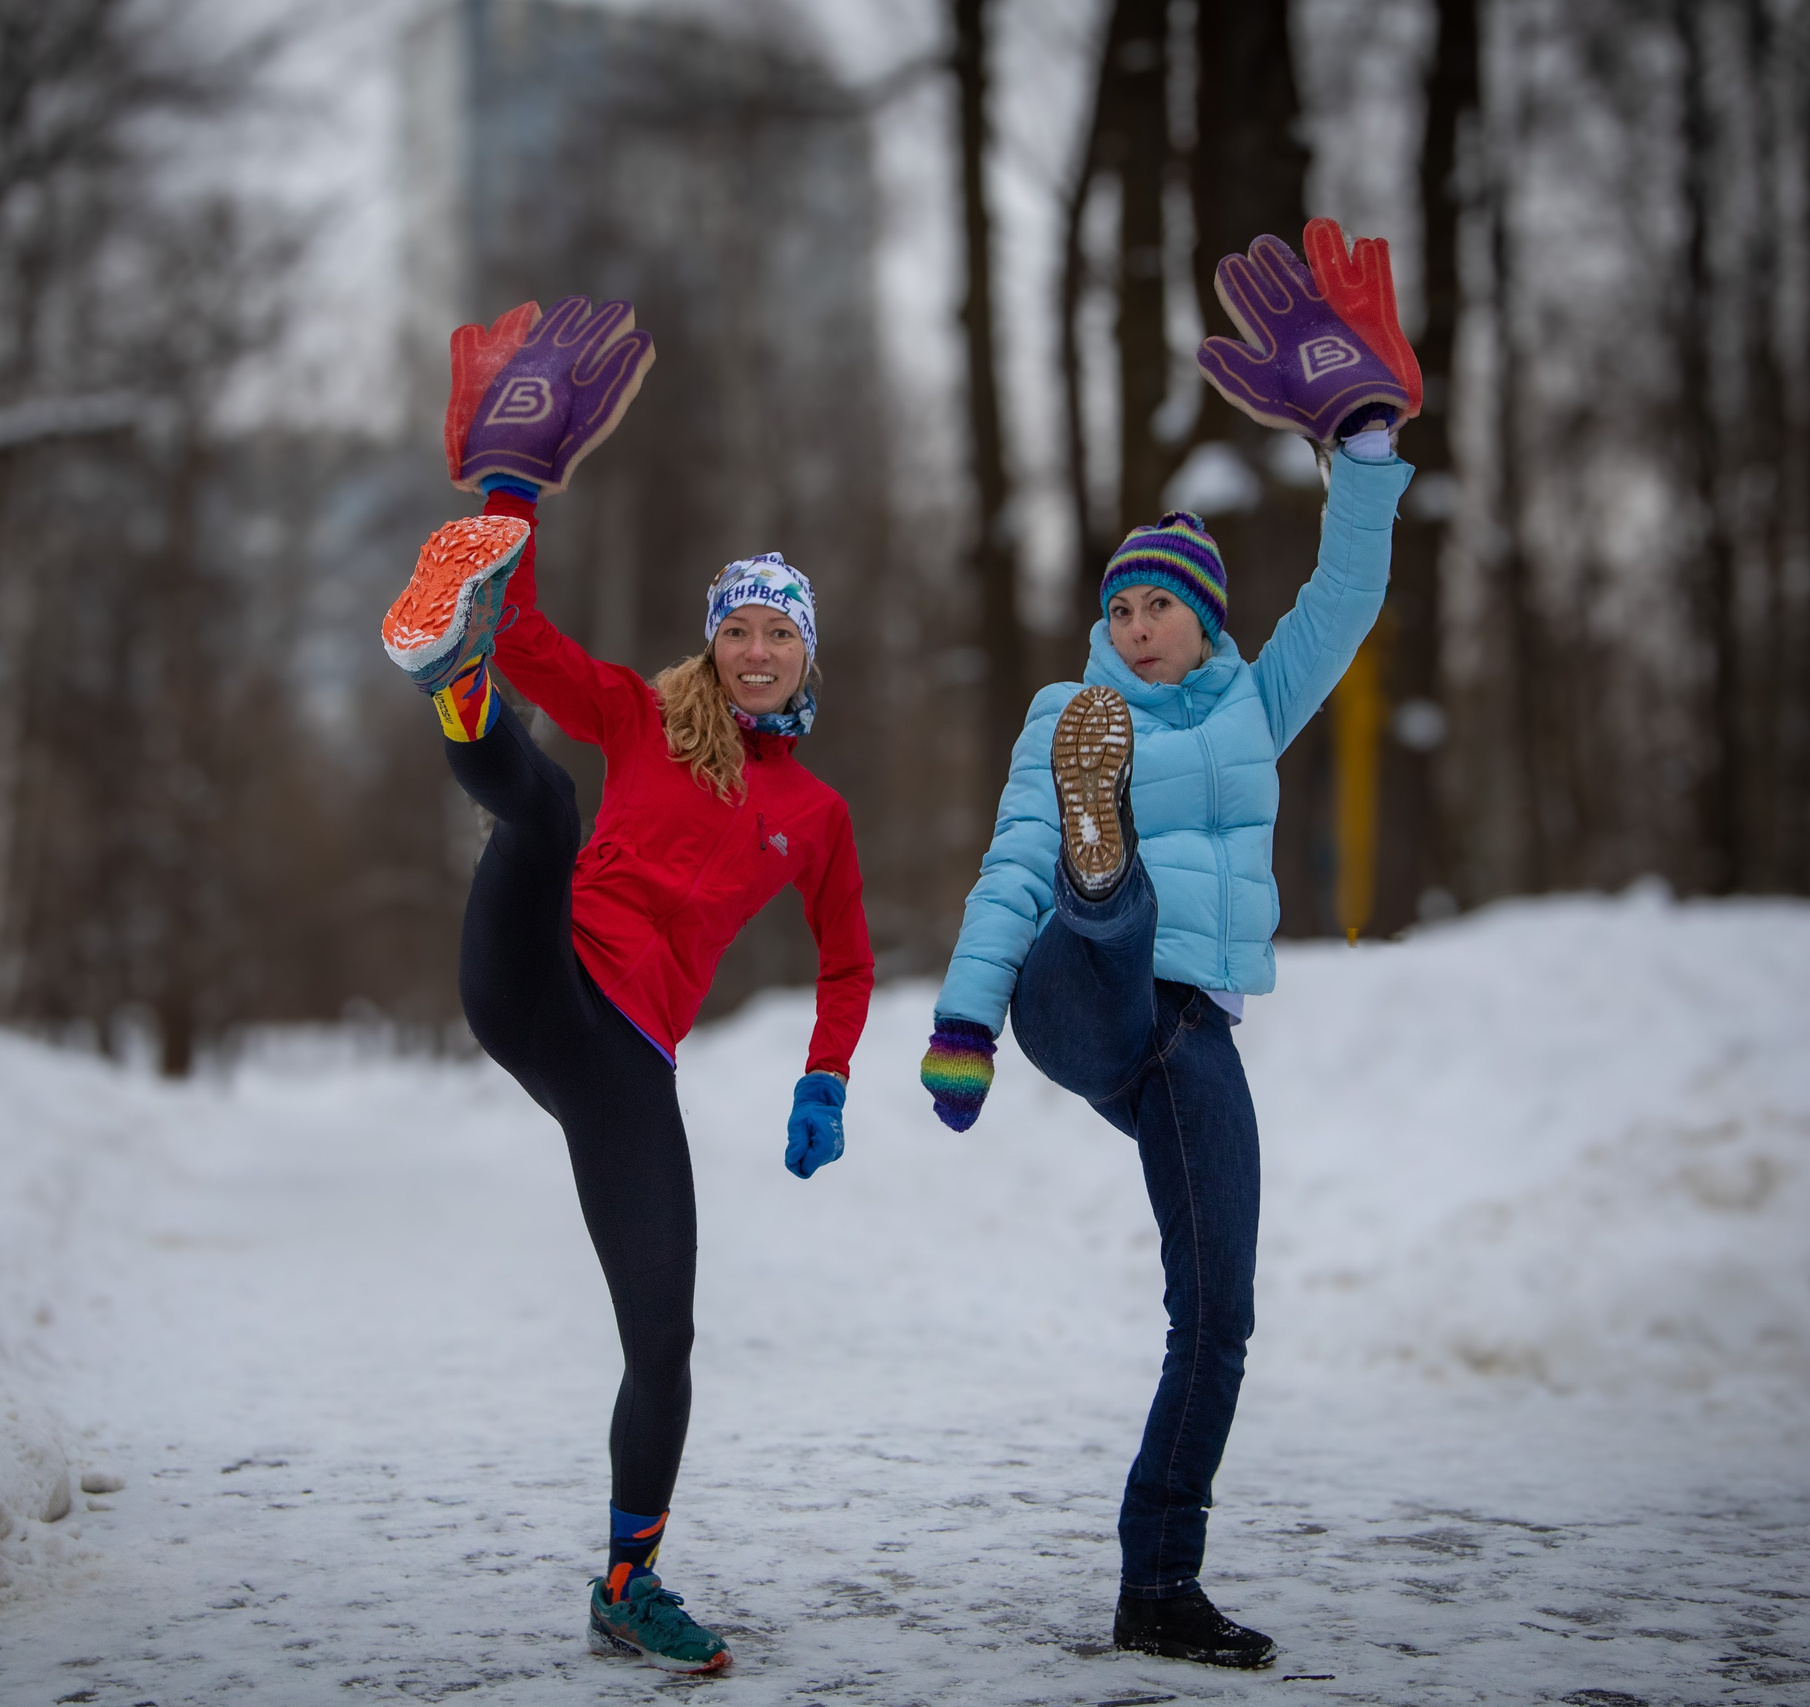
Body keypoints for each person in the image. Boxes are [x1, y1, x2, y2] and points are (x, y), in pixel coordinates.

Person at [916, 223, 1420, 1669]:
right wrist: (960, 1025)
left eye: (1160, 608)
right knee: (1084, 882)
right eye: (1119, 607)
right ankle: (1107, 871)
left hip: (1185, 1037)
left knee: (1221, 1314)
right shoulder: (1072, 719)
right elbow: (998, 873)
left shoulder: (1259, 706)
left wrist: (1366, 445)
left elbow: (1345, 595)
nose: (1136, 628)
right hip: (1075, 996)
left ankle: (1159, 1587)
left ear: (1203, 620)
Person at [380, 296, 873, 1674]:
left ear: (805, 653)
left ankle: (626, 1580)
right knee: (535, 809)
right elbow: (526, 622)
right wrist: (512, 487)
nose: (756, 649)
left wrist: (827, 1075)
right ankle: (443, 679)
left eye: (778, 632)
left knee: (665, 1332)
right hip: (539, 974)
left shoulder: (817, 816)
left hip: (624, 1060)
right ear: (714, 645)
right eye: (739, 630)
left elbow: (848, 958)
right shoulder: (653, 718)